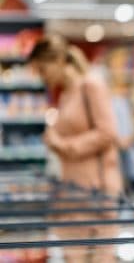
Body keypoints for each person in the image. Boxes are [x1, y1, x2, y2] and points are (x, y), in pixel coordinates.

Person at [28, 35, 123, 197]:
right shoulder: (66, 94)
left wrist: (63, 145)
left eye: (43, 70)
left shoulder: (91, 86)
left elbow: (108, 133)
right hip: (73, 186)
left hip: (96, 188)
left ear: (58, 60)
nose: (42, 78)